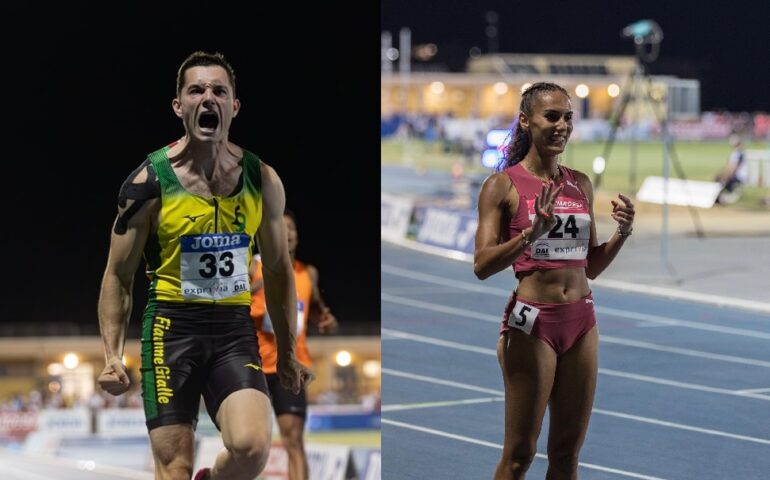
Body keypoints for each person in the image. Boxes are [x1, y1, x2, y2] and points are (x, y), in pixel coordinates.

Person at [96, 50, 313, 480]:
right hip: (171, 330)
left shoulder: (262, 179)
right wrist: (112, 355)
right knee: (174, 467)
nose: (208, 98)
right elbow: (118, 275)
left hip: (233, 330)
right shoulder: (147, 183)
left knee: (252, 449)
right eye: (196, 90)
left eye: (219, 90)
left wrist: (288, 353)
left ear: (234, 106)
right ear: (179, 106)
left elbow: (277, 270)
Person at [473, 82, 635, 480]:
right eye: (551, 116)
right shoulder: (502, 185)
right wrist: (530, 235)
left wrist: (622, 233)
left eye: (568, 117)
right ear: (525, 121)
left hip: (581, 321)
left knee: (566, 454)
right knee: (520, 455)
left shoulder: (579, 183)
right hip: (533, 322)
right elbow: (481, 265)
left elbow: (590, 266)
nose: (562, 125)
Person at [249, 209, 339, 480]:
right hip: (253, 365)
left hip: (291, 367)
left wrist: (325, 319)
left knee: (294, 438)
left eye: (292, 228)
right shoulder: (253, 266)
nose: (287, 233)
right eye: (281, 227)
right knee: (251, 444)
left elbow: (316, 308)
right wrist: (258, 286)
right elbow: (229, 298)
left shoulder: (308, 273)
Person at [714, 134, 748, 204]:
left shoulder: (739, 153)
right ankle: (720, 196)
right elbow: (729, 166)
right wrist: (722, 174)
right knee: (719, 178)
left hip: (739, 176)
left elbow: (735, 168)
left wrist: (726, 176)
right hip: (735, 174)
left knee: (723, 180)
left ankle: (726, 195)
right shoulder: (735, 153)